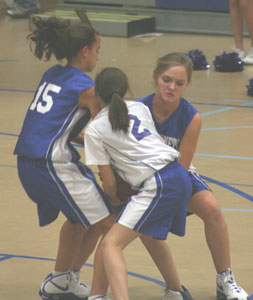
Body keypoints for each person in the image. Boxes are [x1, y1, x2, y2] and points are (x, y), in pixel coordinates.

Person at [13, 16, 114, 300]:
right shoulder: (85, 87)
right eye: (97, 49)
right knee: (111, 225)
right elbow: (106, 129)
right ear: (85, 51)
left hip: (28, 161)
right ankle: (98, 293)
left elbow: (61, 127)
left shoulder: (52, 75)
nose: (98, 55)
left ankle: (61, 280)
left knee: (81, 219)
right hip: (51, 163)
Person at [137, 52, 249, 300]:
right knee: (141, 228)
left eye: (179, 83)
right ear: (156, 77)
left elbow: (182, 166)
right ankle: (174, 288)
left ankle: (225, 279)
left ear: (187, 85)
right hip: (140, 180)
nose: (171, 87)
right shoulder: (137, 110)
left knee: (212, 208)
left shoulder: (191, 117)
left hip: (175, 177)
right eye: (166, 79)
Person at [84, 67, 193, 300]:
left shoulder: (94, 129)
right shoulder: (141, 107)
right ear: (126, 90)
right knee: (148, 234)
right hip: (179, 176)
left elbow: (110, 183)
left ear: (96, 95)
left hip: (158, 183)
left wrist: (113, 199)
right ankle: (177, 292)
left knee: (111, 244)